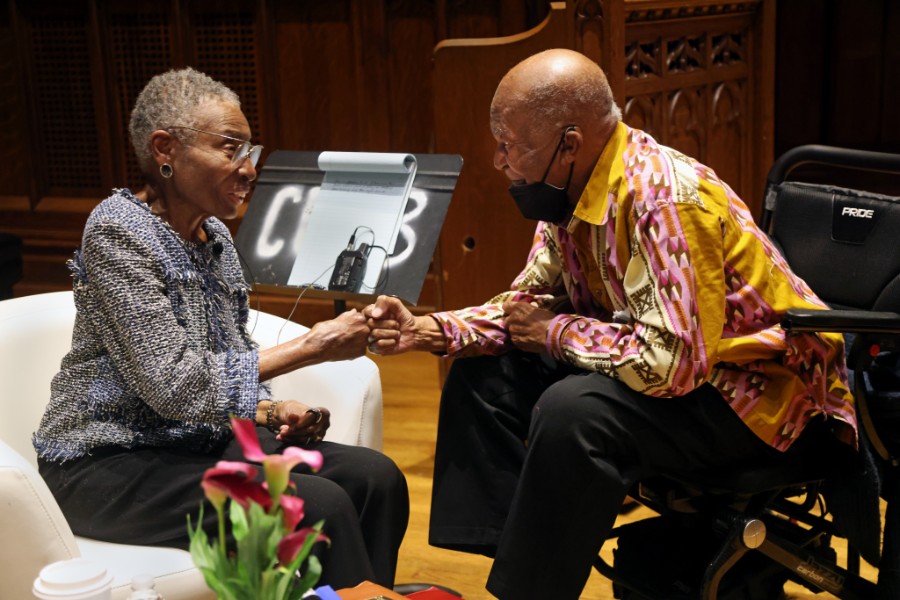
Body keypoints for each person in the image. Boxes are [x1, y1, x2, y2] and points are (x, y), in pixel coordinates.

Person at [364, 49, 857, 599]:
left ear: (569, 145)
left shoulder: (662, 199)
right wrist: (428, 330)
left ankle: (532, 586)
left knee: (575, 410)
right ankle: (519, 568)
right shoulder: (572, 195)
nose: (500, 161)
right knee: (485, 379)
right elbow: (524, 308)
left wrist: (554, 333)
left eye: (510, 145)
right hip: (690, 380)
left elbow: (670, 365)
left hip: (763, 404)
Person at [33, 67, 408, 590]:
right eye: (231, 149)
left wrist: (273, 409)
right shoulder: (118, 232)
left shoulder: (214, 238)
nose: (248, 169)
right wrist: (314, 345)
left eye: (250, 153)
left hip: (189, 443)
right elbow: (175, 385)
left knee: (375, 478)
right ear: (165, 149)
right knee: (312, 502)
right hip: (106, 464)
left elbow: (223, 364)